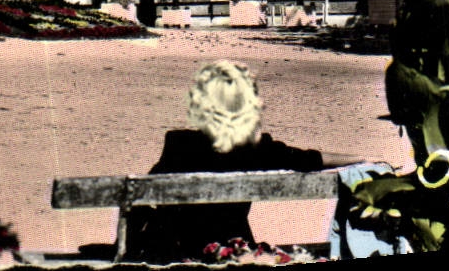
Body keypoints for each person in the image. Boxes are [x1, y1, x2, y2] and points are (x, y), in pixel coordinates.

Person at [123, 61, 357, 263]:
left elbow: (143, 196)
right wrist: (361, 159)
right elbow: (310, 159)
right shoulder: (258, 149)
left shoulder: (179, 143)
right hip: (234, 249)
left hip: (178, 250)